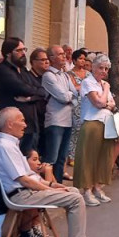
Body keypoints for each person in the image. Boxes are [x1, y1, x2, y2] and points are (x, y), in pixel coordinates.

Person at [0, 108, 100, 237]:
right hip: (21, 196)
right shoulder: (4, 147)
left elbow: (30, 176)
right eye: (21, 120)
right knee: (75, 198)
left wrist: (54, 186)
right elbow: (24, 180)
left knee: (72, 190)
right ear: (9, 124)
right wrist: (49, 189)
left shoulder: (10, 145)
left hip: (26, 192)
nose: (25, 125)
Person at [0, 38, 47, 156]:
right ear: (8, 53)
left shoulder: (22, 70)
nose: (23, 53)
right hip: (11, 125)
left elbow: (42, 90)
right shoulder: (2, 70)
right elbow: (22, 88)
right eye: (19, 50)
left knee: (26, 161)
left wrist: (30, 98)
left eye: (24, 49)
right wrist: (32, 93)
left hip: (29, 123)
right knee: (9, 161)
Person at [74, 53, 116, 206]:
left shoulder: (102, 84)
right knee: (88, 158)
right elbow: (98, 103)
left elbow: (112, 103)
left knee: (103, 157)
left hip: (106, 122)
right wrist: (106, 91)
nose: (103, 71)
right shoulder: (88, 82)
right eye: (100, 68)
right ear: (93, 67)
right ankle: (86, 190)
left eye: (106, 69)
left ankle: (98, 187)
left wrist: (104, 98)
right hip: (92, 122)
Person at [41, 45, 76, 183]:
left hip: (67, 119)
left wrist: (69, 96)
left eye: (63, 54)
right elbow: (63, 96)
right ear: (51, 58)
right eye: (60, 54)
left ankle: (58, 185)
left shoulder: (65, 75)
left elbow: (75, 93)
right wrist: (69, 96)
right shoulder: (48, 76)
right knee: (52, 157)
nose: (64, 56)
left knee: (62, 157)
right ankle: (47, 185)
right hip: (55, 120)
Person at [67, 48, 90, 167]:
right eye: (80, 59)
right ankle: (71, 156)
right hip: (76, 104)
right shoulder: (69, 74)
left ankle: (84, 155)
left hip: (88, 103)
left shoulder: (88, 73)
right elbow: (74, 88)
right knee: (75, 130)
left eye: (84, 59)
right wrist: (84, 86)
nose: (83, 61)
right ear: (74, 60)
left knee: (86, 130)